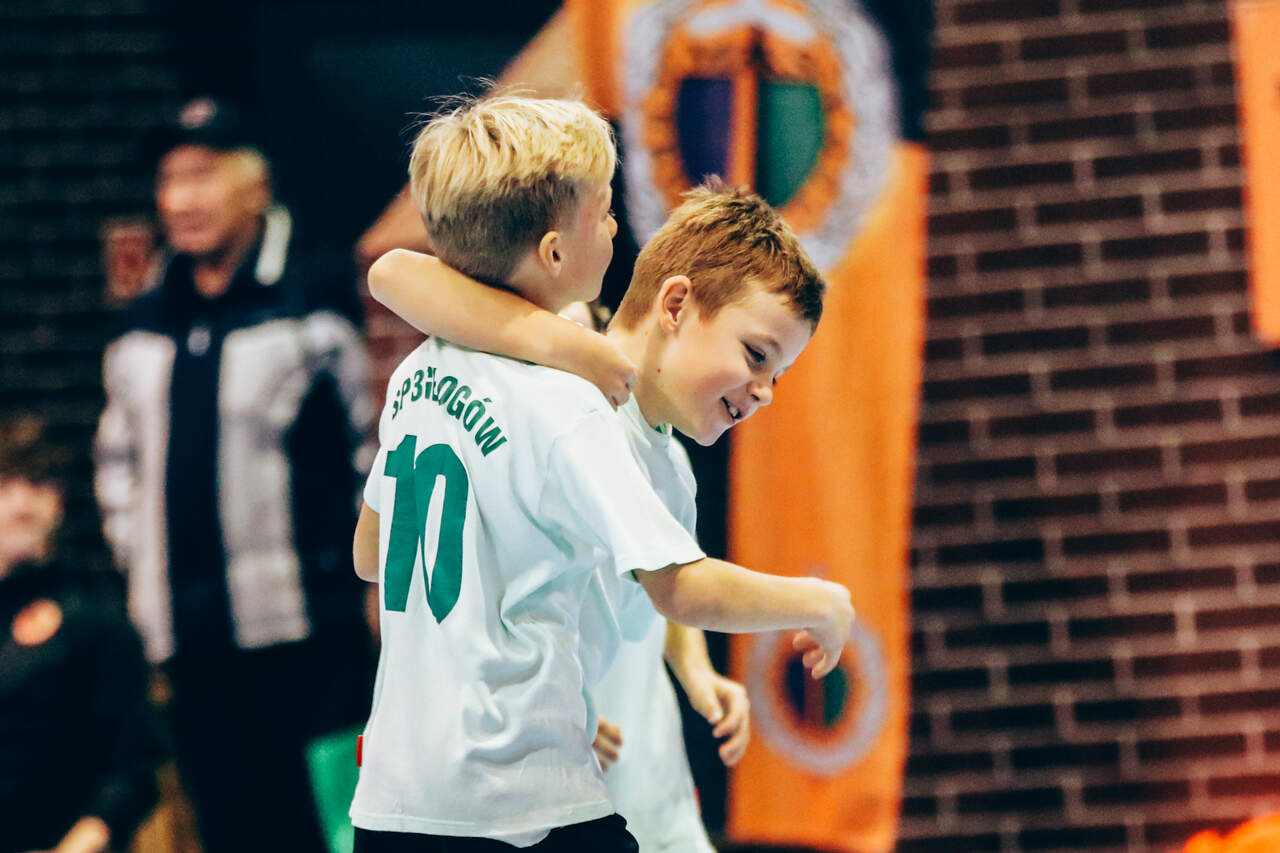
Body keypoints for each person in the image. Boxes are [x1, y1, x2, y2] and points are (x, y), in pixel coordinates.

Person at [350, 93, 852, 853]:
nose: (765, 391)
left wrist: (691, 669)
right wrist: (819, 599)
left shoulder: (425, 369)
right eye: (756, 356)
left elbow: (373, 552)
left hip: (401, 795)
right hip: (518, 789)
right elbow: (680, 584)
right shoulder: (571, 400)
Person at [94, 97, 376, 853]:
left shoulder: (310, 297)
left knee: (336, 831)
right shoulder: (146, 316)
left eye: (202, 175)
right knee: (227, 833)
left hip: (310, 637)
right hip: (189, 644)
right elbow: (117, 464)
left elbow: (371, 450)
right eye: (169, 180)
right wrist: (139, 564)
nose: (181, 199)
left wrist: (367, 584)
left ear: (256, 185)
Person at [0, 416, 166, 853]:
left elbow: (133, 769)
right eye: (5, 485)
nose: (23, 503)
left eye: (39, 484)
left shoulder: (94, 622)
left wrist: (80, 845)